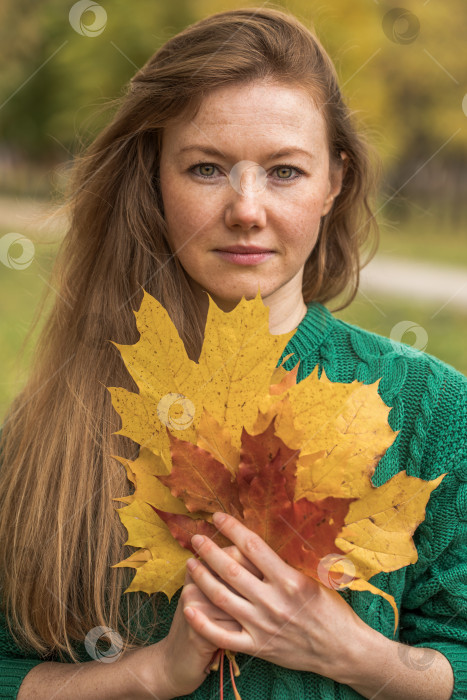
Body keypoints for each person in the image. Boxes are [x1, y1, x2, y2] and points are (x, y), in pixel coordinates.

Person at [0, 6, 466, 700]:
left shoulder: (431, 408)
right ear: (155, 178)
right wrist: (147, 674)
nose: (246, 209)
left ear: (333, 182)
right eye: (207, 168)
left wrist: (353, 653)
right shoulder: (59, 418)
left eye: (283, 172)